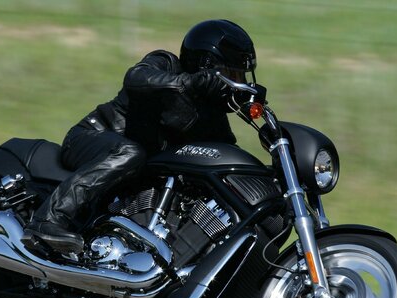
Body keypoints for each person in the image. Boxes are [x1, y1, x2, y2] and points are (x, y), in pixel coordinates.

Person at [21, 19, 257, 254]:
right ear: (206, 64)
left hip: (135, 170)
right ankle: (48, 220)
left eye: (241, 77)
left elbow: (225, 156)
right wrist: (189, 83)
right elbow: (136, 77)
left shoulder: (211, 115)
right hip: (93, 136)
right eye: (232, 74)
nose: (238, 83)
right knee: (131, 153)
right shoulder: (166, 63)